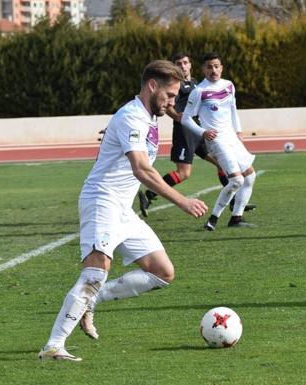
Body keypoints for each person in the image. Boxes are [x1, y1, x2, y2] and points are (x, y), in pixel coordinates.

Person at [38, 60, 208, 362]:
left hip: (122, 207)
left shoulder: (147, 116)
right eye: (169, 95)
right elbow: (142, 169)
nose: (172, 103)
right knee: (94, 273)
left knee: (162, 272)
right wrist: (182, 201)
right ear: (152, 86)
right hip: (102, 200)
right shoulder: (132, 116)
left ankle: (90, 303)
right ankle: (54, 345)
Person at [138, 53, 255, 217]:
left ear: (190, 65)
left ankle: (234, 202)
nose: (182, 66)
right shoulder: (174, 84)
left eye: (185, 63)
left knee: (221, 163)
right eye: (178, 63)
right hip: (184, 132)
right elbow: (168, 104)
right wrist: (177, 117)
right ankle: (151, 193)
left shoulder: (195, 84)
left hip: (200, 131)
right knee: (184, 173)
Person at [182, 52, 257, 230]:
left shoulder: (229, 85)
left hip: (232, 137)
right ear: (203, 69)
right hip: (217, 141)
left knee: (250, 176)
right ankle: (213, 220)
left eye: (216, 66)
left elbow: (233, 109)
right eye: (209, 67)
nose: (213, 70)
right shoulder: (199, 91)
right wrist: (203, 132)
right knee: (237, 181)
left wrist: (238, 131)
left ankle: (236, 218)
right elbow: (185, 118)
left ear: (221, 67)